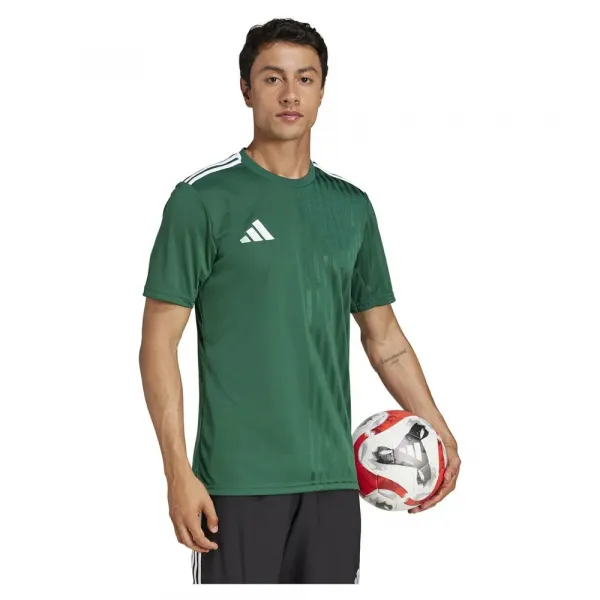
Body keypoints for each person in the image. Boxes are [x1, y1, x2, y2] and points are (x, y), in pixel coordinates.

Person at [139, 17, 461, 585]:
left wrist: (436, 428)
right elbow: (158, 343)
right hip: (235, 485)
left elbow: (384, 339)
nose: (290, 94)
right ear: (246, 89)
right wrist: (177, 472)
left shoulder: (351, 207)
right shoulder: (202, 200)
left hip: (334, 484)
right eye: (273, 78)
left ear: (322, 90)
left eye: (305, 78)